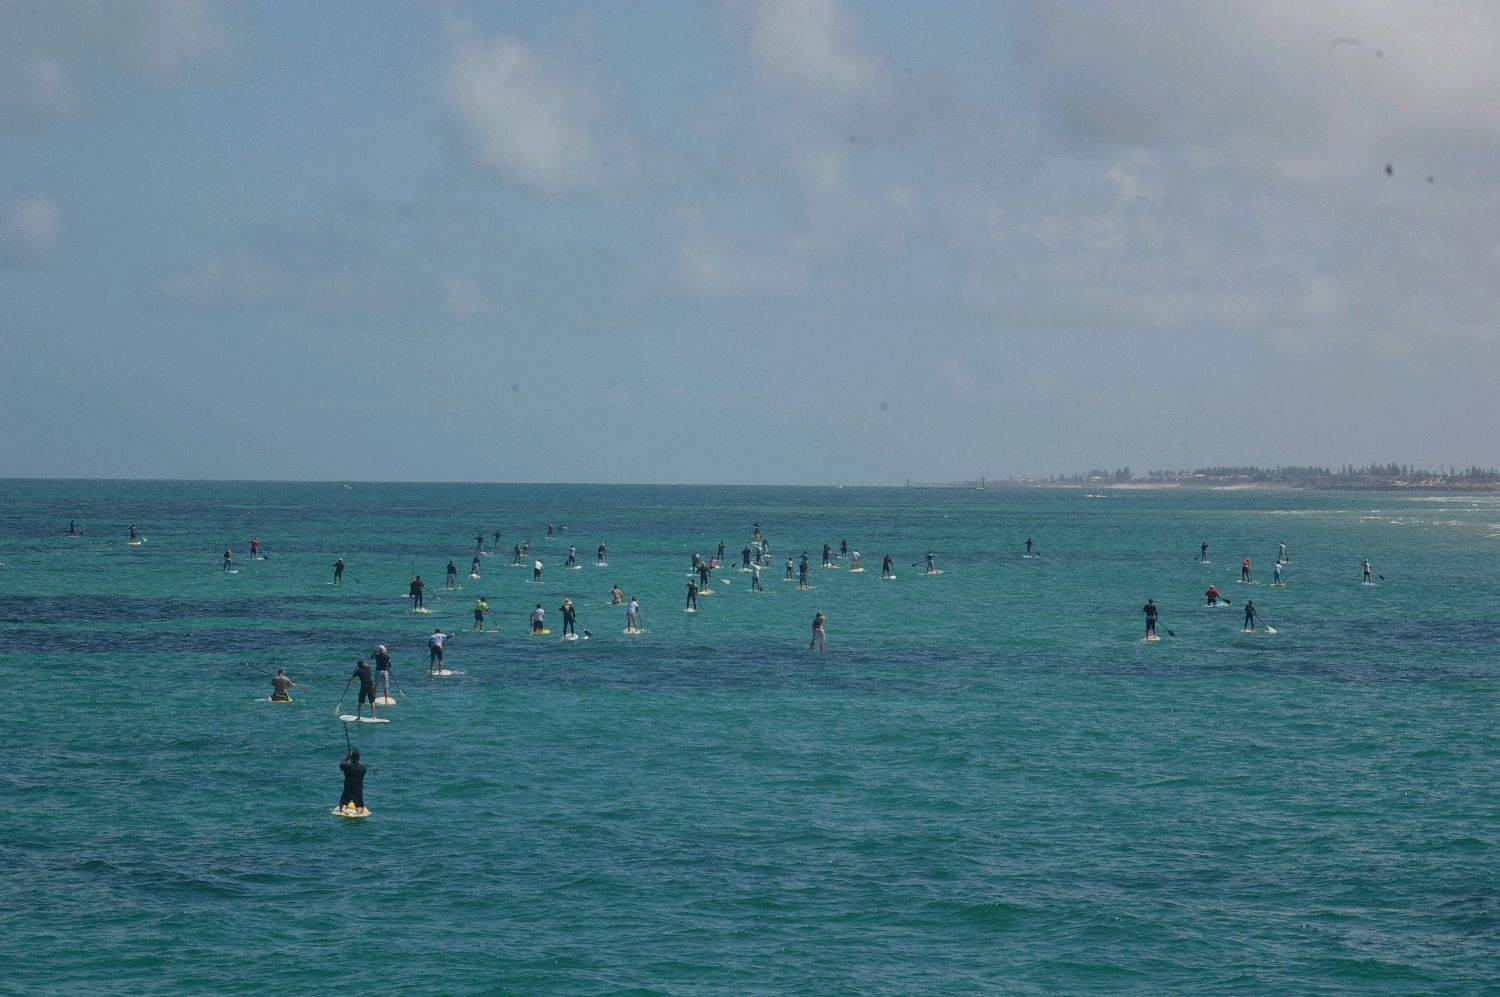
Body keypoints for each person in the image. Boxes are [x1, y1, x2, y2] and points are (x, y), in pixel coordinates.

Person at [337, 748, 367, 815]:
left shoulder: (347, 766)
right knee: (359, 806)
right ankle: (358, 812)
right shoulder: (363, 768)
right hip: (358, 790)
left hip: (348, 789)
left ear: (351, 758)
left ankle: (343, 810)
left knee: (344, 803)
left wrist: (347, 757)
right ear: (358, 758)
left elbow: (341, 765)